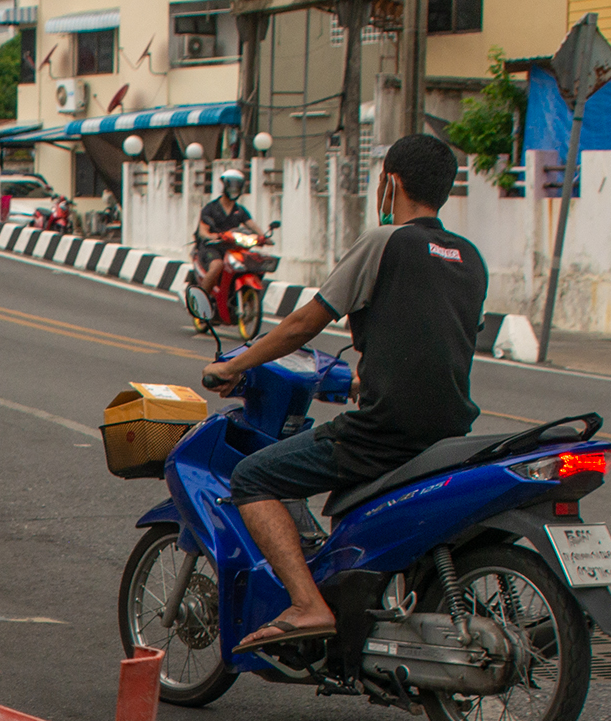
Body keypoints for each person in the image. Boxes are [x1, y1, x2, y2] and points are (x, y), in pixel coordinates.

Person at [198, 134, 488, 653]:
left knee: (252, 476)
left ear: (391, 182)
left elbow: (305, 322)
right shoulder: (470, 258)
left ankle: (308, 604)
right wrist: (362, 378)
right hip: (449, 434)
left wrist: (235, 364)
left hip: (384, 432)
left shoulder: (385, 241)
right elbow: (434, 337)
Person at [190, 165, 255, 313]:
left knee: (248, 263)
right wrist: (213, 235)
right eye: (231, 185)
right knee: (218, 265)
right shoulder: (211, 208)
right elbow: (203, 231)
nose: (234, 189)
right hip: (211, 248)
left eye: (237, 186)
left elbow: (252, 225)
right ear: (225, 185)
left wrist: (263, 237)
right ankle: (199, 302)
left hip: (232, 248)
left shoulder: (240, 211)